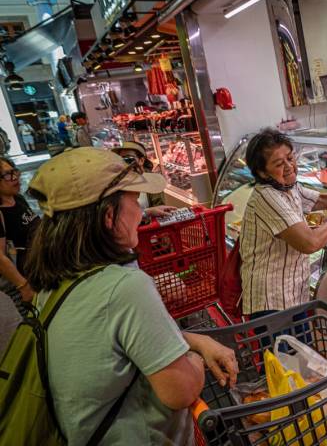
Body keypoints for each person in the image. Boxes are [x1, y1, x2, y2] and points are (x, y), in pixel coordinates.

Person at [24, 148, 239, 445]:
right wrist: (193, 358)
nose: (140, 211)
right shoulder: (125, 287)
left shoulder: (52, 285)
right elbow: (182, 391)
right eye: (134, 200)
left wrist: (194, 339)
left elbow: (115, 345)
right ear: (109, 216)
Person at [239, 128, 327, 319]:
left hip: (293, 292)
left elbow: (318, 200)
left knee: (300, 347)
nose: (289, 166)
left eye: (290, 158)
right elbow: (310, 243)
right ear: (263, 173)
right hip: (272, 300)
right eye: (279, 164)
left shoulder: (288, 186)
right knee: (282, 349)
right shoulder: (267, 197)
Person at [0, 157, 39, 305]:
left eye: (15, 171)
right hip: (26, 278)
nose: (15, 177)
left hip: (40, 267)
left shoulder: (18, 198)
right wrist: (23, 286)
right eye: (8, 175)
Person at [111, 140, 176, 218]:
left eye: (128, 159)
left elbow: (159, 208)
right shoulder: (115, 182)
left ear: (141, 160)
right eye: (120, 159)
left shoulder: (152, 181)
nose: (123, 163)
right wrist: (147, 212)